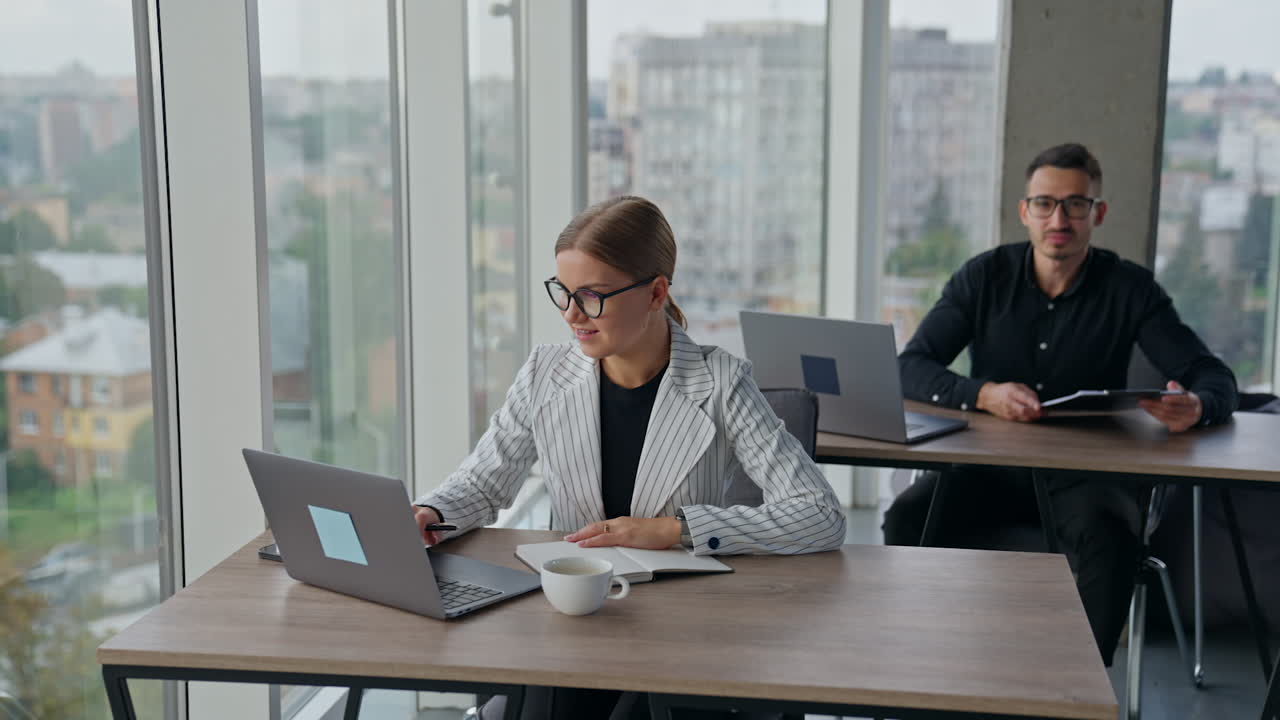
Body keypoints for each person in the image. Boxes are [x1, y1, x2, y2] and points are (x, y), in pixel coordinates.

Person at [412, 195, 847, 719]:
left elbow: (819, 514)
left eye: (592, 296)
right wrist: (432, 513)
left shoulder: (722, 382)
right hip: (573, 619)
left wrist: (675, 530)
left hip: (679, 631)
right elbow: (484, 482)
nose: (572, 315)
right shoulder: (545, 373)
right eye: (563, 293)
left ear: (656, 292)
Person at [884, 142, 1238, 666]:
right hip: (988, 470)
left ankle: (1079, 690)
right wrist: (981, 393)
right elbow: (909, 365)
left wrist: (1198, 405)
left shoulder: (1129, 289)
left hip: (1085, 475)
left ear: (1098, 213)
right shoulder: (984, 277)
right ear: (1025, 211)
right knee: (907, 519)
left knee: (1112, 543)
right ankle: (928, 667)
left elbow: (1214, 377)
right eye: (1046, 203)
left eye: (1075, 204)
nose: (1060, 218)